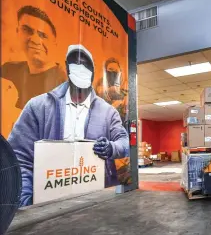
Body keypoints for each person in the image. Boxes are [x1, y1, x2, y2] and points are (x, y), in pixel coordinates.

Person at [8, 44, 130, 207]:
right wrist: (26, 199)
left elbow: (124, 142)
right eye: (74, 63)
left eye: (85, 64)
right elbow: (19, 156)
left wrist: (111, 148)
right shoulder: (39, 106)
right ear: (66, 67)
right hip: (49, 200)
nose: (80, 68)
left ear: (93, 71)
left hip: (96, 198)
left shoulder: (108, 112)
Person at [1, 5, 67, 109]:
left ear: (55, 43)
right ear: (17, 32)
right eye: (27, 30)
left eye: (43, 35)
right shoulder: (7, 70)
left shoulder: (66, 85)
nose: (35, 40)